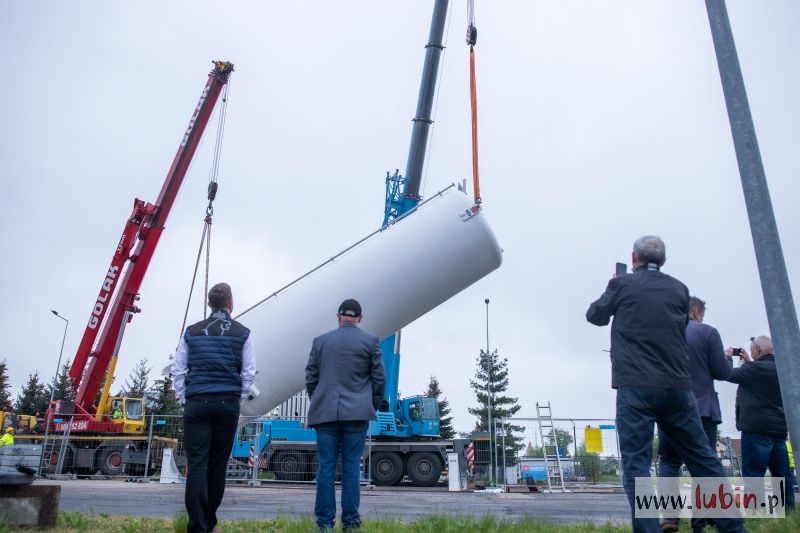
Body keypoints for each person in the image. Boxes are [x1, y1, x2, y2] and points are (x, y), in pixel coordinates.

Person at [586, 235, 745, 533]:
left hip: (636, 387)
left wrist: (613, 285)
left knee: (638, 465)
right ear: (664, 261)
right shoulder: (679, 289)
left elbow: (594, 316)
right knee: (703, 458)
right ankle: (733, 527)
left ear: (633, 257)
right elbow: (680, 327)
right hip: (677, 387)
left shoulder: (621, 285)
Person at [172, 282, 256, 533]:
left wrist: (185, 397)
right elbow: (249, 372)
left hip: (197, 403)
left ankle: (196, 526)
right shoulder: (243, 333)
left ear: (209, 304)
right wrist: (236, 399)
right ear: (231, 304)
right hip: (226, 404)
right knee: (217, 467)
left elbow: (179, 369)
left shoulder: (191, 332)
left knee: (197, 465)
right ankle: (209, 523)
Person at [305, 298, 386, 532]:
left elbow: (311, 377)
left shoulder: (320, 342)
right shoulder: (370, 342)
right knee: (352, 468)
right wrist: (369, 404)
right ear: (359, 318)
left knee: (326, 469)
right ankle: (351, 524)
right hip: (357, 415)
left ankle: (324, 525)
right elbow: (379, 378)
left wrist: (320, 400)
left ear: (338, 316)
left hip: (326, 415)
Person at [658, 296, 732, 532]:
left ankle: (669, 517)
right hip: (701, 409)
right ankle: (701, 519)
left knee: (669, 462)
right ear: (698, 313)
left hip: (668, 407)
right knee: (704, 462)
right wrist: (727, 358)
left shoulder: (663, 333)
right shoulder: (708, 332)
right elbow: (722, 372)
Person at [726, 335, 795, 511]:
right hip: (778, 430)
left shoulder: (754, 369)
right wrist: (749, 362)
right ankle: (787, 510)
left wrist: (727, 356)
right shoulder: (782, 369)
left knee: (754, 474)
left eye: (751, 350)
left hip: (756, 430)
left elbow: (728, 374)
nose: (750, 352)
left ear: (758, 350)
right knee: (782, 474)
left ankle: (755, 511)